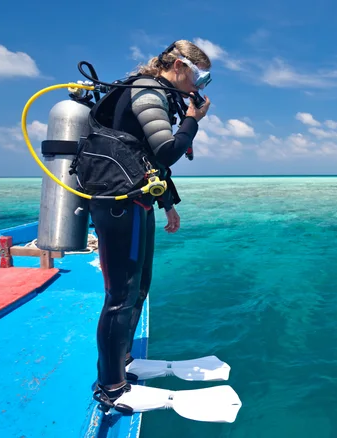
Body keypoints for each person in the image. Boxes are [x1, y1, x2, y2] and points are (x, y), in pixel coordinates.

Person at [90, 40, 212, 410]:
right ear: (178, 65)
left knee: (140, 286)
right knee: (121, 296)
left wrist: (167, 203)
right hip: (118, 205)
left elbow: (143, 158)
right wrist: (193, 120)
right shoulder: (146, 91)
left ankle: (124, 362)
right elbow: (166, 150)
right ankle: (111, 387)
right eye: (200, 78)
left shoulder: (158, 93)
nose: (200, 88)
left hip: (137, 200)